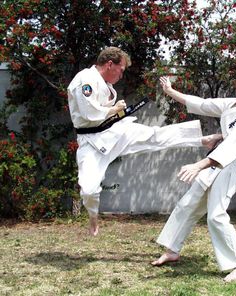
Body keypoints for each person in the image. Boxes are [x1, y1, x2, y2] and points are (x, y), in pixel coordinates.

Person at [67, 47, 221, 236]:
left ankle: (201, 140)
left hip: (114, 130)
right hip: (91, 141)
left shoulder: (104, 83)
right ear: (109, 64)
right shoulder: (85, 80)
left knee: (154, 136)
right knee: (89, 189)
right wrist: (113, 109)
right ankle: (93, 217)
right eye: (121, 69)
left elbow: (102, 110)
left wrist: (114, 110)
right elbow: (88, 112)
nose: (121, 75)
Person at [151, 74, 236, 282]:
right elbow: (203, 104)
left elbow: (234, 147)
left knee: (215, 214)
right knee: (189, 203)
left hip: (235, 163)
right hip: (217, 159)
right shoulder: (234, 104)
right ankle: (172, 250)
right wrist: (170, 91)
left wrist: (198, 165)